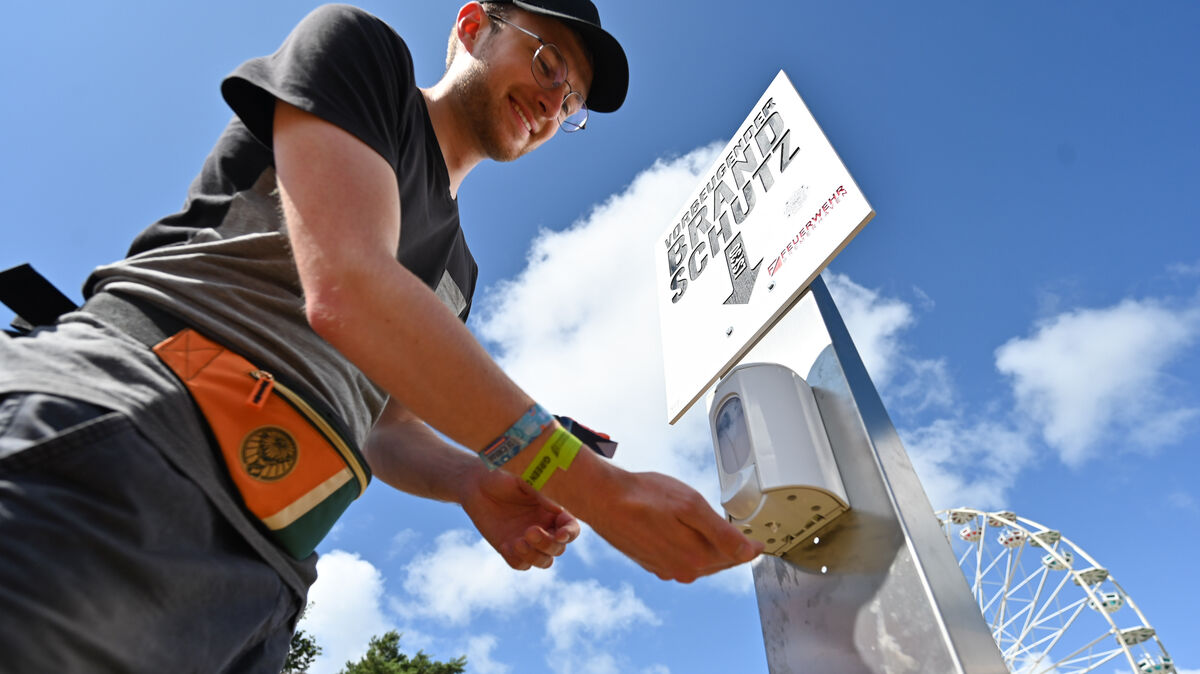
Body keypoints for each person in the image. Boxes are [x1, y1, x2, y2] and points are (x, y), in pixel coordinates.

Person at [0, 1, 762, 671]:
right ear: (473, 26)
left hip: (261, 574)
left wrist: (469, 481)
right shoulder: (362, 55)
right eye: (548, 61)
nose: (553, 101)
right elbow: (350, 289)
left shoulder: (458, 273)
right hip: (130, 432)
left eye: (572, 101)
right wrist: (595, 488)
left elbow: (384, 427)